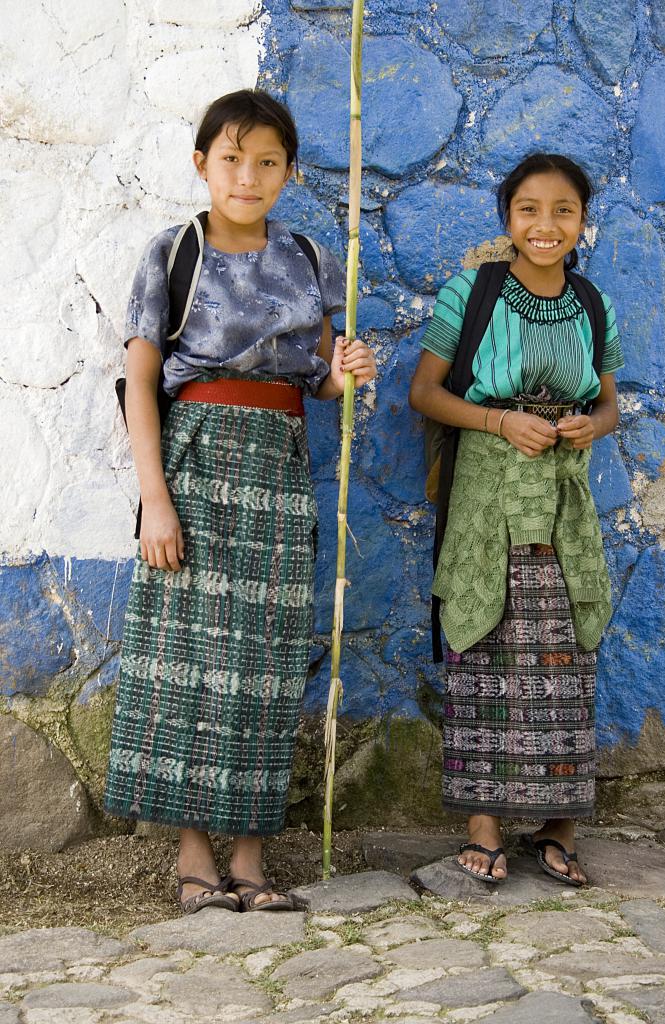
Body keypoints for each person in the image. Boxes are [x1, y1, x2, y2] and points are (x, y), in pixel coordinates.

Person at [104, 89, 376, 914]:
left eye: (267, 162)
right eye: (232, 159)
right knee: (186, 668)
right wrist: (156, 499)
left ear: (289, 173)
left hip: (277, 472)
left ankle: (251, 862)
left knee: (265, 665)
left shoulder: (308, 259)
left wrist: (344, 373)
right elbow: (141, 382)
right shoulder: (173, 254)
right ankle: (193, 860)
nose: (247, 176)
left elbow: (318, 384)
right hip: (192, 465)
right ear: (202, 165)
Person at [409, 153, 624, 886]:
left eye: (562, 210)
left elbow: (609, 404)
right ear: (507, 219)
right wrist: (500, 423)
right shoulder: (473, 292)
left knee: (565, 643)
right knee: (487, 634)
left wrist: (591, 427)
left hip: (563, 496)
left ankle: (559, 822)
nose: (545, 225)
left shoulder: (591, 304)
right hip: (487, 490)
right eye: (528, 209)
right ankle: (483, 824)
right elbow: (424, 393)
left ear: (581, 223)